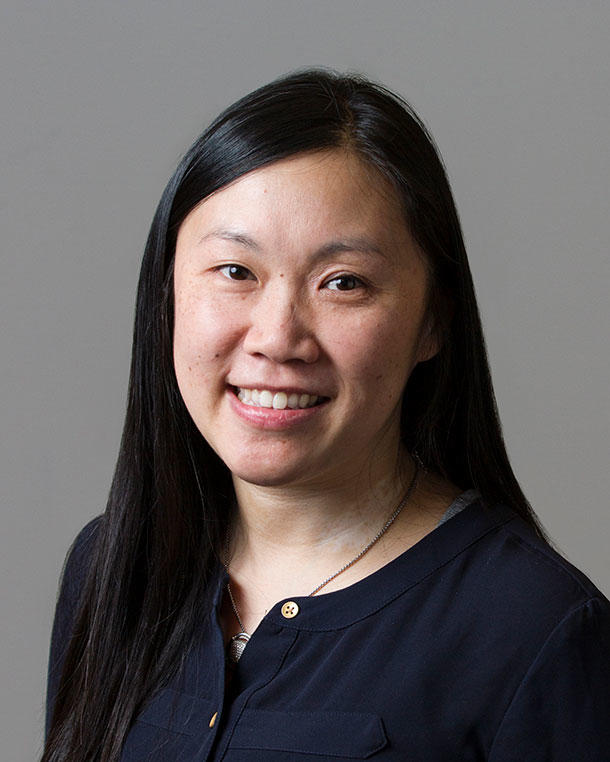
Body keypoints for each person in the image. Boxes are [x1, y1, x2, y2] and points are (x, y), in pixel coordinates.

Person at [43, 69, 610, 761]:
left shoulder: (536, 630)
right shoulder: (110, 569)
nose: (277, 338)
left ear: (434, 321)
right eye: (235, 272)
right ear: (166, 296)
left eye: (343, 283)